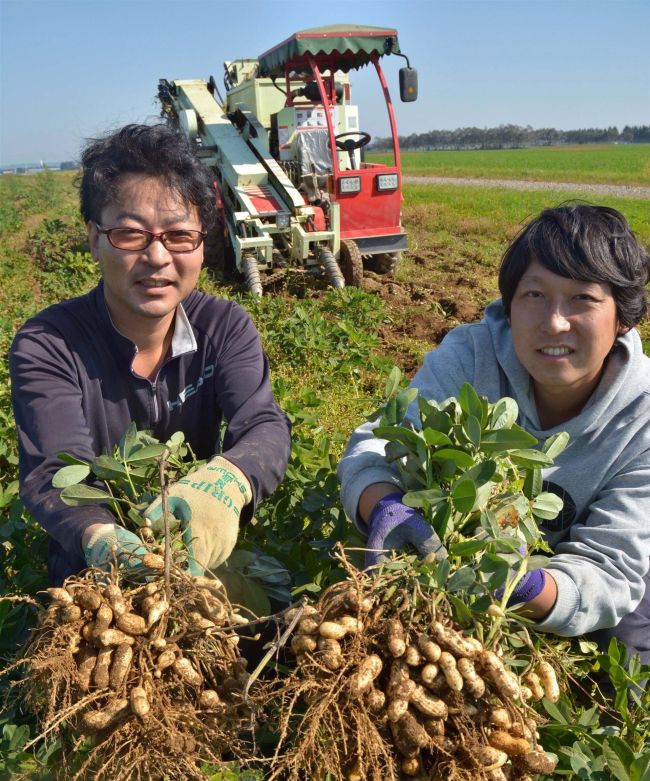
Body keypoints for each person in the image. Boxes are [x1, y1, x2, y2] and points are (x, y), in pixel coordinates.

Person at [338, 203, 650, 657]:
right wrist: (384, 504)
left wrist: (521, 587)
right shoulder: (470, 357)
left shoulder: (641, 418)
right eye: (535, 295)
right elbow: (377, 443)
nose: (554, 322)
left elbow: (610, 572)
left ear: (622, 317)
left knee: (629, 661)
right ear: (510, 304)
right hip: (445, 567)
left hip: (584, 579)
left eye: (582, 298)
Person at [10, 123, 291, 584]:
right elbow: (54, 470)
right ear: (94, 237)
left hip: (195, 557)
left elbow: (263, 425)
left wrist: (229, 479)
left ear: (203, 243)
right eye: (130, 234)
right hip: (92, 578)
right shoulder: (49, 343)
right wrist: (102, 536)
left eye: (179, 235)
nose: (158, 257)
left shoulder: (224, 327)